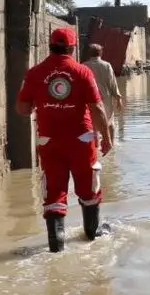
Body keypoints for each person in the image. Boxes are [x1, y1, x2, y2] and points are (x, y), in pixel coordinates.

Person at [15, 27, 114, 253]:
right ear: (72, 48)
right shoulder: (82, 72)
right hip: (81, 141)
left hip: (49, 142)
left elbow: (21, 109)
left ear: (50, 46)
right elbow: (97, 108)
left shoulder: (34, 73)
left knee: (54, 193)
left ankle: (56, 249)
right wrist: (106, 138)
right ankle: (92, 235)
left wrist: (41, 103)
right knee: (89, 191)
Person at [83, 43, 124, 143]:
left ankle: (95, 145)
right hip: (105, 98)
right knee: (110, 122)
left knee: (93, 123)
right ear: (100, 53)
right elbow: (112, 83)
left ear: (89, 53)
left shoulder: (84, 66)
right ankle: (111, 144)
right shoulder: (106, 65)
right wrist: (118, 98)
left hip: (90, 99)